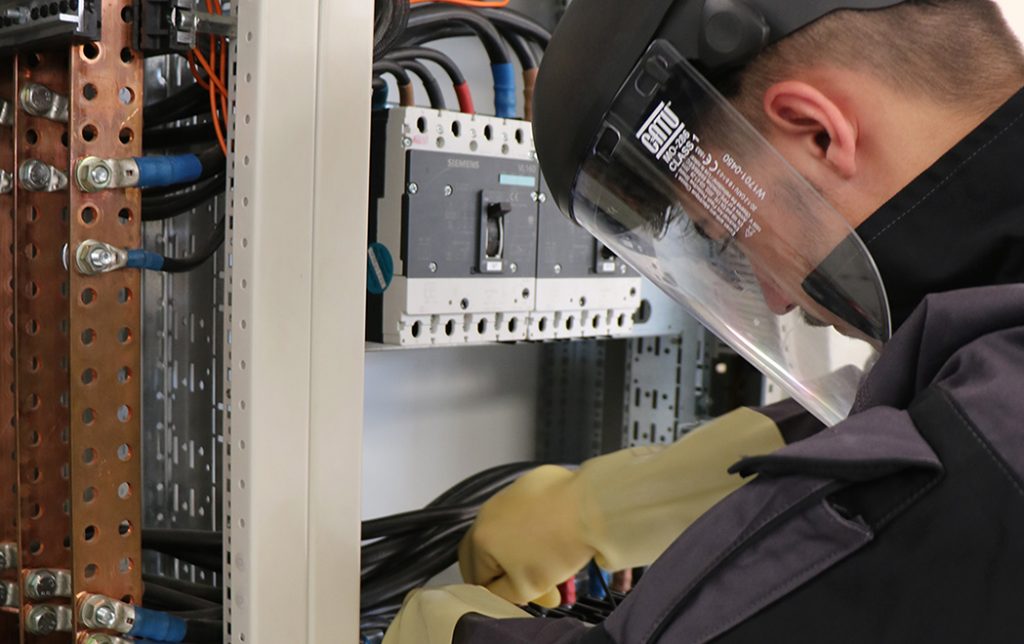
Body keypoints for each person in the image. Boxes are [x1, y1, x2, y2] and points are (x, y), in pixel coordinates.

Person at [384, 0, 1024, 642]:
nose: (775, 300)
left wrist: (454, 635)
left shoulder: (990, 457)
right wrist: (617, 505)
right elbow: (922, 415)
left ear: (818, 132)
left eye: (729, 238)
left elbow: (941, 470)